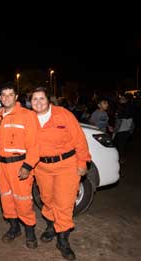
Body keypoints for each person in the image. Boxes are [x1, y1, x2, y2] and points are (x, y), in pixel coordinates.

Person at [30, 87, 91, 260]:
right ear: (30, 102)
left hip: (66, 165)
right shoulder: (29, 118)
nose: (39, 102)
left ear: (48, 100)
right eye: (35, 99)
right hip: (42, 167)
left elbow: (79, 139)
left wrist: (82, 162)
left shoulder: (63, 114)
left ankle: (62, 239)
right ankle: (51, 226)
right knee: (47, 199)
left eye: (42, 98)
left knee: (64, 202)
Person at [0, 82, 40, 249]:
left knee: (23, 201)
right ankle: (14, 228)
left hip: (20, 165)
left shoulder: (27, 115)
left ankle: (30, 231)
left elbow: (34, 145)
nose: (7, 98)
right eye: (4, 95)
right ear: (0, 98)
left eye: (10, 95)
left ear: (16, 97)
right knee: (6, 199)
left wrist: (28, 166)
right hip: (1, 165)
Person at [113, 93, 135, 165]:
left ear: (126, 100)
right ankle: (121, 159)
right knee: (122, 146)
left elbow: (118, 124)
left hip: (121, 131)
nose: (120, 100)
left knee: (119, 146)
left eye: (122, 99)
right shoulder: (130, 108)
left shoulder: (120, 110)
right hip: (126, 131)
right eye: (120, 98)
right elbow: (132, 123)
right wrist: (130, 131)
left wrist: (114, 133)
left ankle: (119, 160)